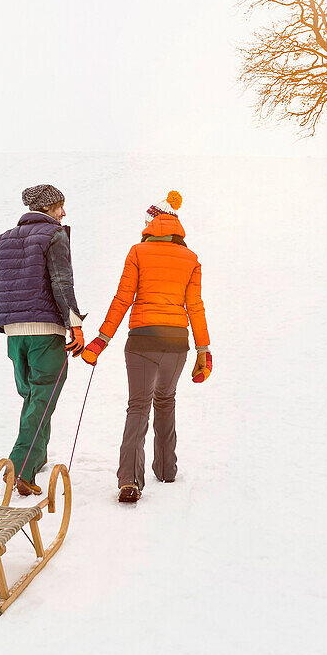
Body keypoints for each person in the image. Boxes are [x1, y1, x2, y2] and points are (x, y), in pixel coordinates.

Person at [82, 190, 212, 503]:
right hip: (177, 343)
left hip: (141, 339)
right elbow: (195, 306)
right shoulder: (191, 259)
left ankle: (129, 480)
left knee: (138, 406)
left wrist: (102, 339)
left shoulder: (138, 252)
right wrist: (203, 351)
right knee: (166, 400)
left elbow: (123, 297)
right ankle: (167, 469)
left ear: (150, 225)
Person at [0, 184, 85, 496]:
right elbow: (61, 281)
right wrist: (75, 325)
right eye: (60, 206)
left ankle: (38, 457)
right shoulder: (54, 235)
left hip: (13, 335)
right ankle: (21, 468)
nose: (64, 213)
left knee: (34, 397)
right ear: (48, 208)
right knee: (41, 398)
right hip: (45, 333)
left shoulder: (3, 239)